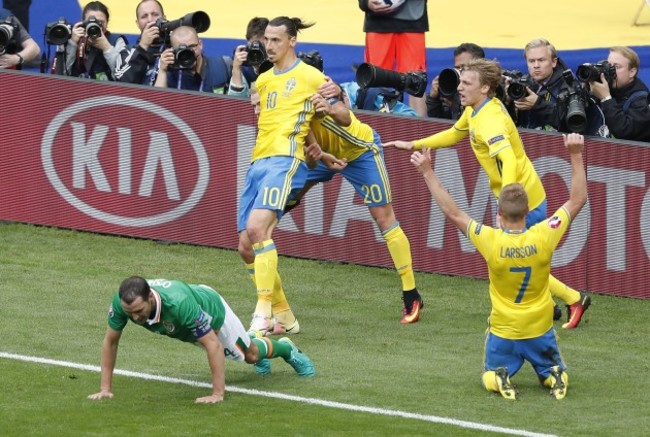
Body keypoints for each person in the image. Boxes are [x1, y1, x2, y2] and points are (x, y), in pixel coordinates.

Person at [384, 58, 591, 329]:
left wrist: (507, 204)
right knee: (516, 258)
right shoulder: (476, 111)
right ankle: (555, 303)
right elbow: (455, 133)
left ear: (484, 89)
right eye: (461, 81)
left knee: (512, 259)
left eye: (467, 83)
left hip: (522, 199)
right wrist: (413, 143)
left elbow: (509, 158)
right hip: (516, 194)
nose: (460, 88)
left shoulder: (490, 120)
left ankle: (573, 299)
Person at [409, 132, 588, 400]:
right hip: (539, 326)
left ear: (500, 215)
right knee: (550, 367)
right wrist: (575, 154)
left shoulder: (490, 240)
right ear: (528, 213)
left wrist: (427, 171)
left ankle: (499, 377)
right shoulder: (544, 234)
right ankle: (555, 375)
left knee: (489, 373)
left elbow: (453, 212)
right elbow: (577, 200)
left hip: (504, 329)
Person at [277, 83, 425, 323]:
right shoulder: (282, 109)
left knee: (384, 219)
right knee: (289, 189)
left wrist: (330, 108)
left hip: (362, 152)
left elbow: (345, 116)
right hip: (324, 155)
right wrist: (319, 159)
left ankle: (411, 294)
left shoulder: (318, 88)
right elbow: (306, 150)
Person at [237, 16, 330, 336]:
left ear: (293, 41)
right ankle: (285, 317)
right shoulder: (262, 81)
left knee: (257, 228)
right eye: (266, 40)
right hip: (257, 162)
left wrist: (330, 108)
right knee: (245, 246)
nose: (269, 46)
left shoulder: (312, 76)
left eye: (276, 40)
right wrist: (315, 145)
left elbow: (339, 112)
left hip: (285, 160)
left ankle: (262, 312)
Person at [88, 276, 315, 404]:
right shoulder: (123, 304)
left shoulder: (179, 305)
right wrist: (105, 388)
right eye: (130, 313)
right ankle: (249, 340)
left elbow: (212, 344)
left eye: (139, 310)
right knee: (240, 351)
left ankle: (286, 348)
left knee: (249, 355)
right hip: (186, 326)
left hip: (211, 311)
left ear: (150, 297)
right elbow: (111, 341)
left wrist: (217, 394)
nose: (135, 318)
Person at [358, 0, 429, 116]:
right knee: (375, 77)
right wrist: (365, 3)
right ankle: (373, 127)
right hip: (378, 19)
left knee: (416, 78)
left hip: (413, 18)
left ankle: (419, 130)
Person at [510, 38, 578, 133]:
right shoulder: (523, 85)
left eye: (541, 60)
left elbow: (574, 125)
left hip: (555, 145)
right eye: (531, 61)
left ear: (554, 62)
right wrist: (508, 101)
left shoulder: (569, 87)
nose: (536, 65)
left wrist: (538, 104)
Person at [588, 46, 650, 142]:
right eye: (608, 65)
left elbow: (624, 132)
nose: (610, 71)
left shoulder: (642, 100)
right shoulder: (606, 88)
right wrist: (586, 91)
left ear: (632, 72)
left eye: (616, 67)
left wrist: (606, 99)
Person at [154, 25, 231, 93]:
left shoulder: (223, 66)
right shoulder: (169, 73)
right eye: (181, 50)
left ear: (200, 45)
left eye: (191, 47)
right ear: (172, 50)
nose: (188, 52)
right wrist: (162, 70)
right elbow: (157, 104)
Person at [65, 1, 128, 80]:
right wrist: (73, 43)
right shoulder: (74, 39)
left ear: (107, 23)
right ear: (83, 22)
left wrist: (106, 47)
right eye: (90, 22)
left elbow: (124, 77)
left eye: (100, 22)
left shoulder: (116, 41)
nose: (94, 25)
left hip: (107, 91)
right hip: (75, 90)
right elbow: (60, 75)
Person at [427, 42, 485, 120]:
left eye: (464, 67)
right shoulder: (453, 88)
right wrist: (433, 99)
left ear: (480, 66)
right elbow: (439, 125)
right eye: (457, 68)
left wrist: (456, 105)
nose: (460, 72)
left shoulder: (486, 91)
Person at [114, 0, 165, 85]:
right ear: (137, 23)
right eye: (144, 16)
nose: (150, 20)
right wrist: (143, 46)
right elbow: (122, 84)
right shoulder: (127, 51)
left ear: (164, 18)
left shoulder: (173, 48)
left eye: (155, 14)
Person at [228, 17, 269, 98]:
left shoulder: (277, 63)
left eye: (262, 46)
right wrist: (236, 68)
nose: (257, 50)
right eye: (253, 45)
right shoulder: (243, 64)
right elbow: (235, 102)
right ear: (247, 43)